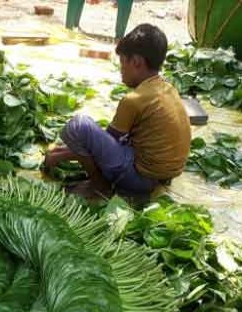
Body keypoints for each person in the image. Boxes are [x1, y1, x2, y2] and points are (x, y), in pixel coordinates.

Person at [44, 24, 191, 198]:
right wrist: (68, 153)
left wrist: (63, 156)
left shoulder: (134, 100)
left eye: (122, 62)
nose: (121, 71)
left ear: (136, 62)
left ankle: (99, 186)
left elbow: (101, 150)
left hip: (141, 179)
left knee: (78, 127)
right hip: (165, 176)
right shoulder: (167, 88)